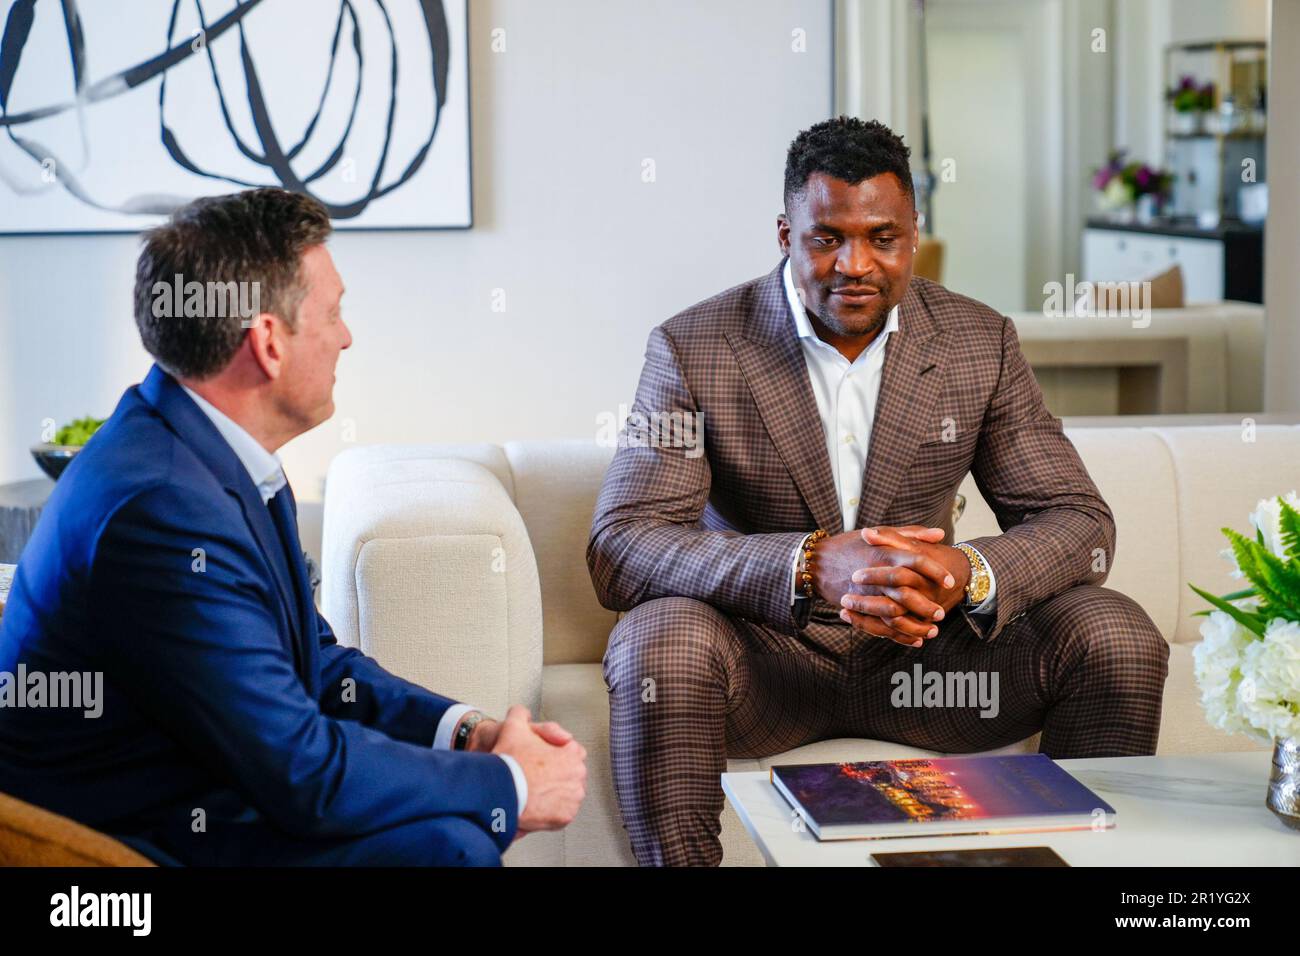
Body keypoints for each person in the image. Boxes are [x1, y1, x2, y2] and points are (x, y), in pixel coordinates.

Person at [587, 117, 1168, 866]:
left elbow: (1078, 521)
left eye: (882, 238)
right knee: (658, 638)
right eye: (827, 238)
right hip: (768, 666)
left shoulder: (977, 341)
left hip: (932, 665)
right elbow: (623, 543)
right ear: (784, 233)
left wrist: (969, 573)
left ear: (914, 235)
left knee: (1114, 632)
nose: (854, 264)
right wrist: (807, 563)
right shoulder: (692, 347)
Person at [0, 188, 586, 865]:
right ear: (269, 342)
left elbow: (317, 663)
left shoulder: (203, 452)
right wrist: (510, 782)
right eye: (333, 312)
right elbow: (299, 768)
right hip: (125, 845)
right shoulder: (162, 508)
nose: (346, 335)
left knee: (449, 834)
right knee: (444, 845)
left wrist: (463, 732)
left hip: (206, 794)